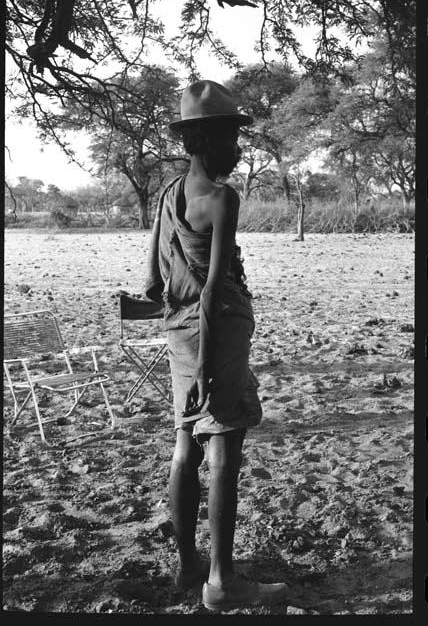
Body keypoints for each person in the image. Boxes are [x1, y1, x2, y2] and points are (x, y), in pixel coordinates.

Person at [145, 80, 289, 612]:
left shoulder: (169, 194)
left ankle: (188, 566)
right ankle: (223, 582)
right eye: (230, 137)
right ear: (204, 140)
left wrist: (182, 340)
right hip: (215, 336)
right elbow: (212, 288)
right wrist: (209, 364)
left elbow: (154, 281)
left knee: (185, 445)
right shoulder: (223, 198)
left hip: (180, 331)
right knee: (224, 453)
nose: (237, 148)